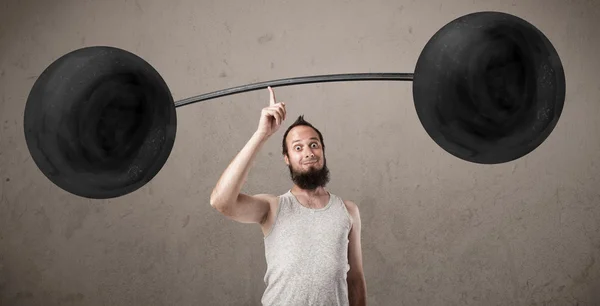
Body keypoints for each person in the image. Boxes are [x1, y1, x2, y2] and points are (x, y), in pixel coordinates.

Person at [210, 87, 367, 306]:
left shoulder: (348, 211)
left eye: (314, 145)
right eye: (298, 147)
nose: (308, 152)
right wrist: (261, 135)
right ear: (286, 158)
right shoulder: (273, 208)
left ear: (323, 150)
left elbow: (355, 280)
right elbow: (221, 201)